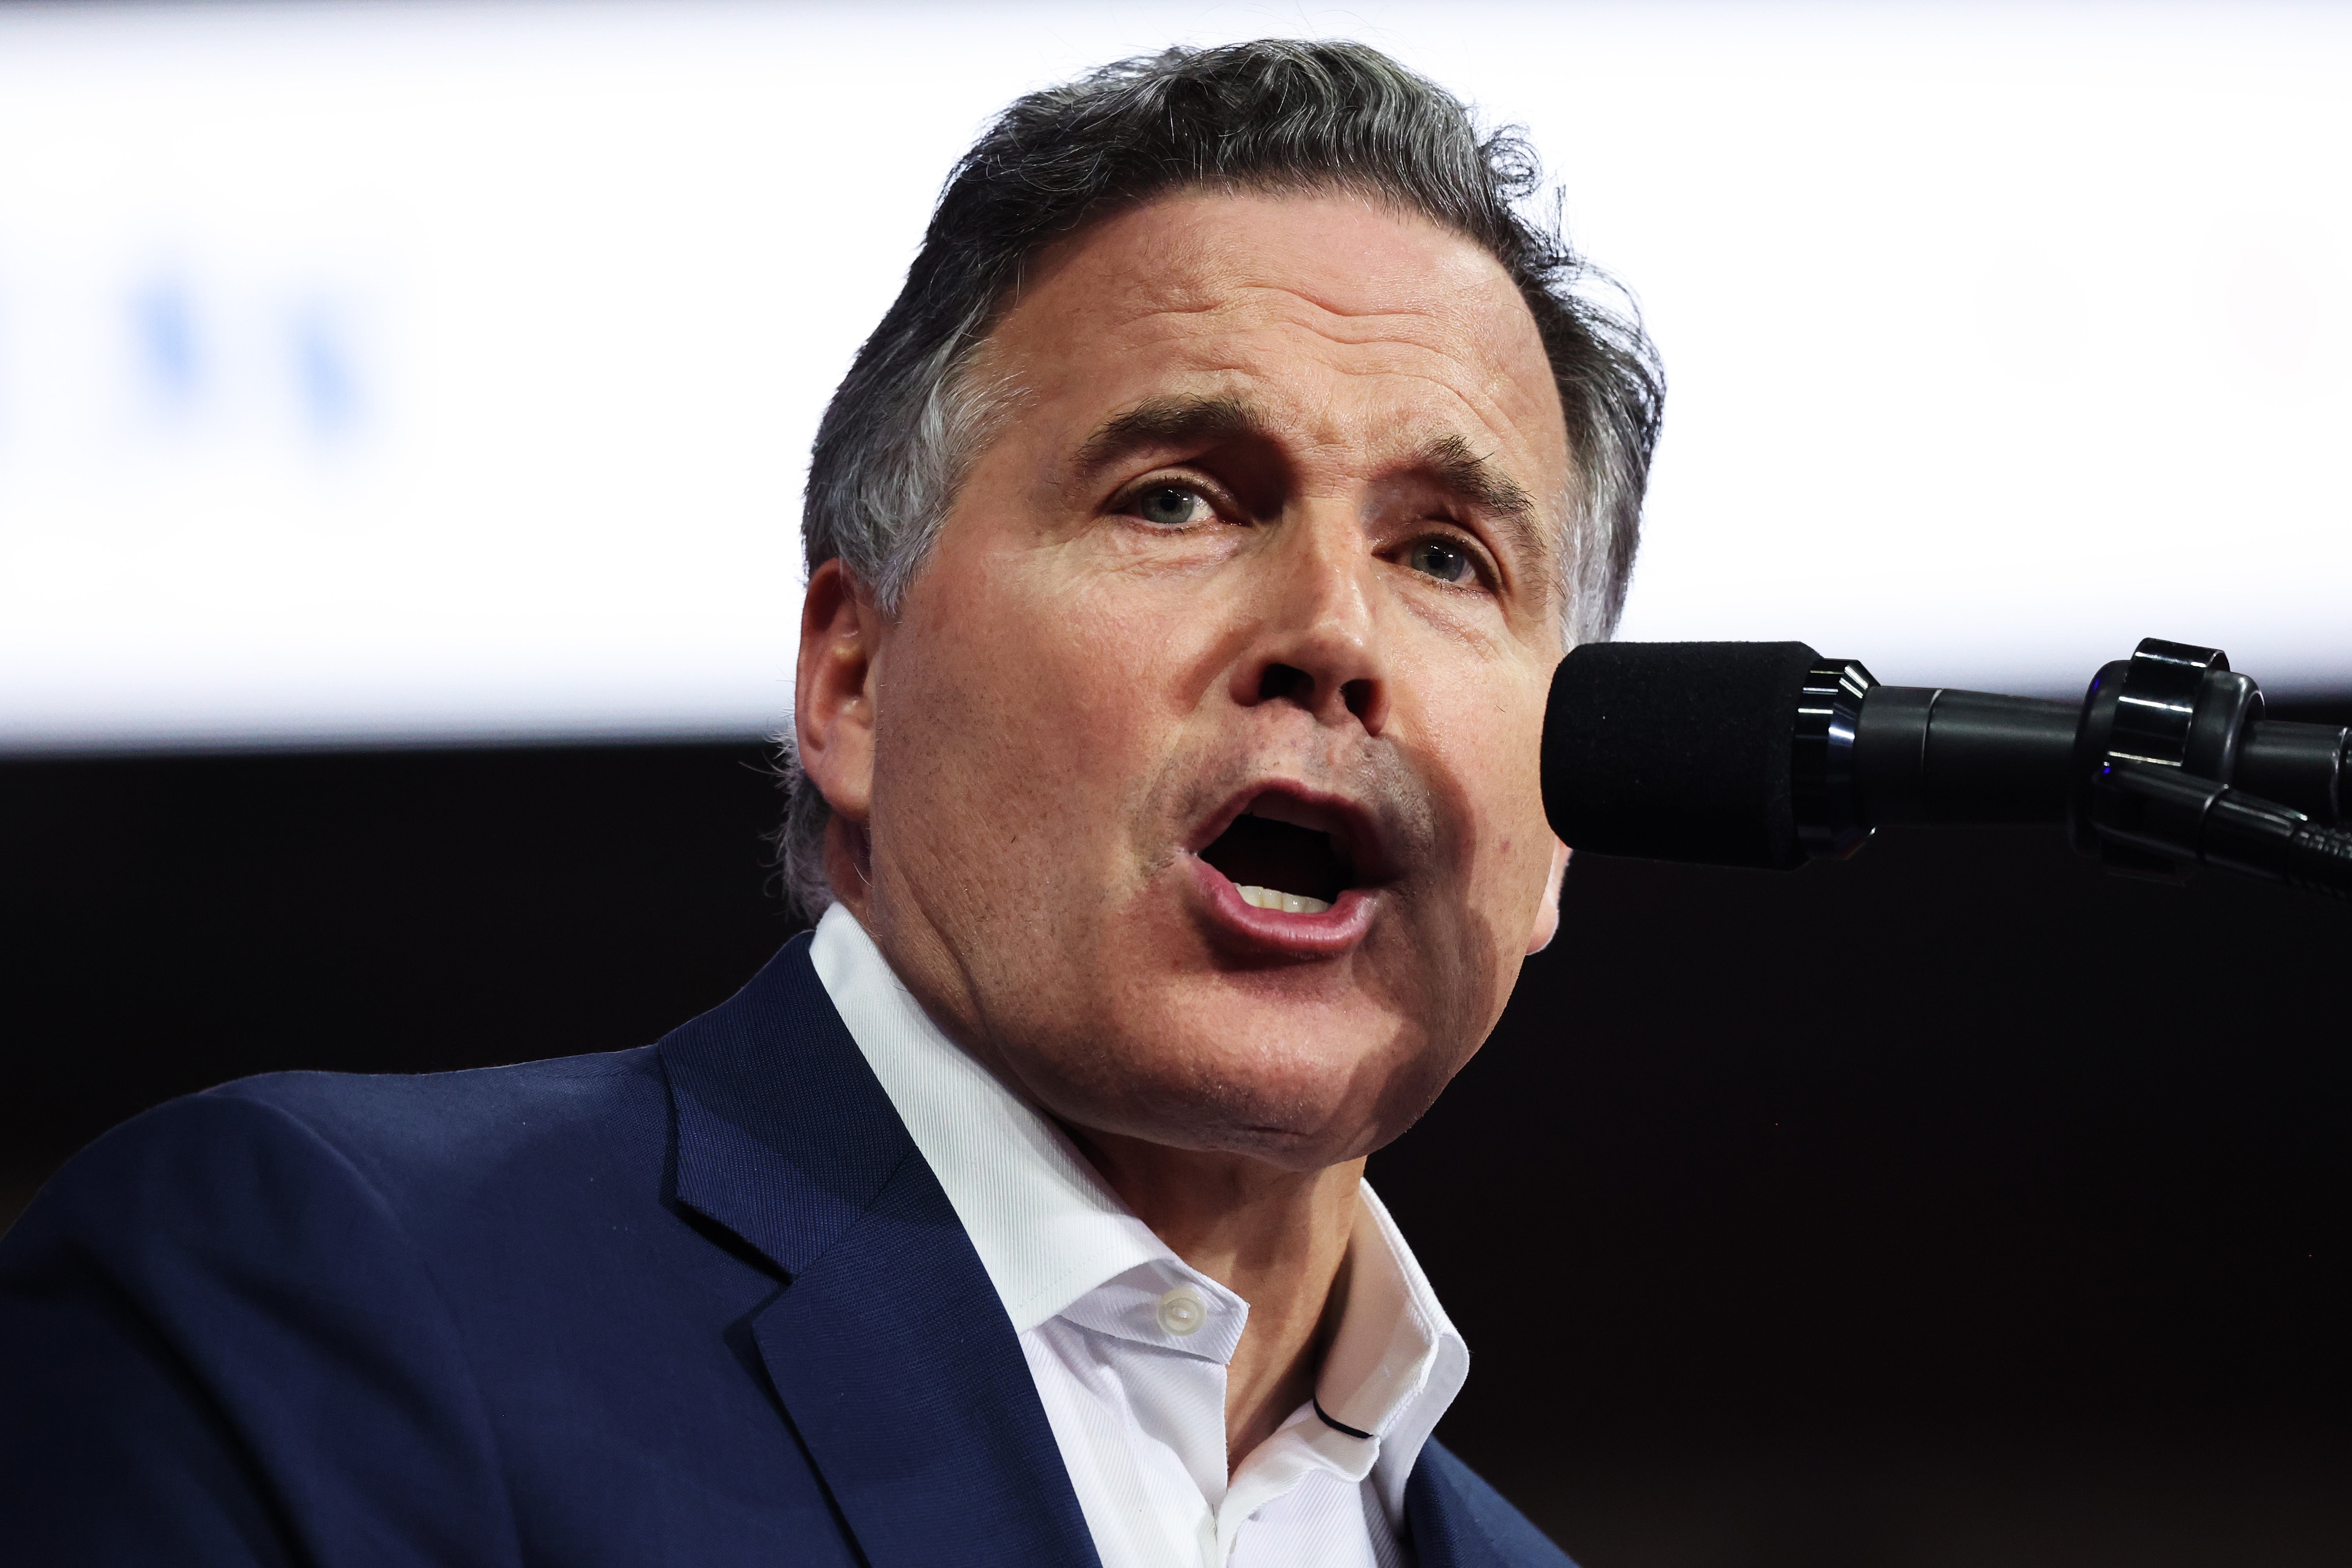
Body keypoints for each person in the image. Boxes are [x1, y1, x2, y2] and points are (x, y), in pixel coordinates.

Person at [0, 38, 1661, 1568]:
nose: (1332, 635)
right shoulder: (322, 1295)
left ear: (1555, 836)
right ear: (854, 684)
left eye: (1447, 553)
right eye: (1180, 500)